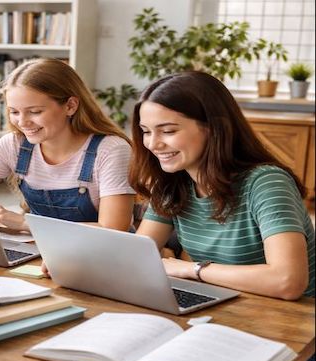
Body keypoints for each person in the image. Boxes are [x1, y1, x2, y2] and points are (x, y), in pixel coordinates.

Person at [131, 70, 315, 300]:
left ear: (213, 128)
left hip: (290, 319)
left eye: (168, 131)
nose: (153, 144)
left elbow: (288, 281)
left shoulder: (266, 183)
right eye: (146, 132)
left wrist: (192, 269)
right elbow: (136, 258)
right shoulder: (172, 183)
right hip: (230, 305)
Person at [0, 58, 135, 233]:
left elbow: (113, 230)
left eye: (35, 111)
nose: (22, 122)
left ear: (70, 106)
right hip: (43, 252)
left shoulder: (111, 150)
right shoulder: (14, 145)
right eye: (14, 111)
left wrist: (25, 223)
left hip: (103, 257)